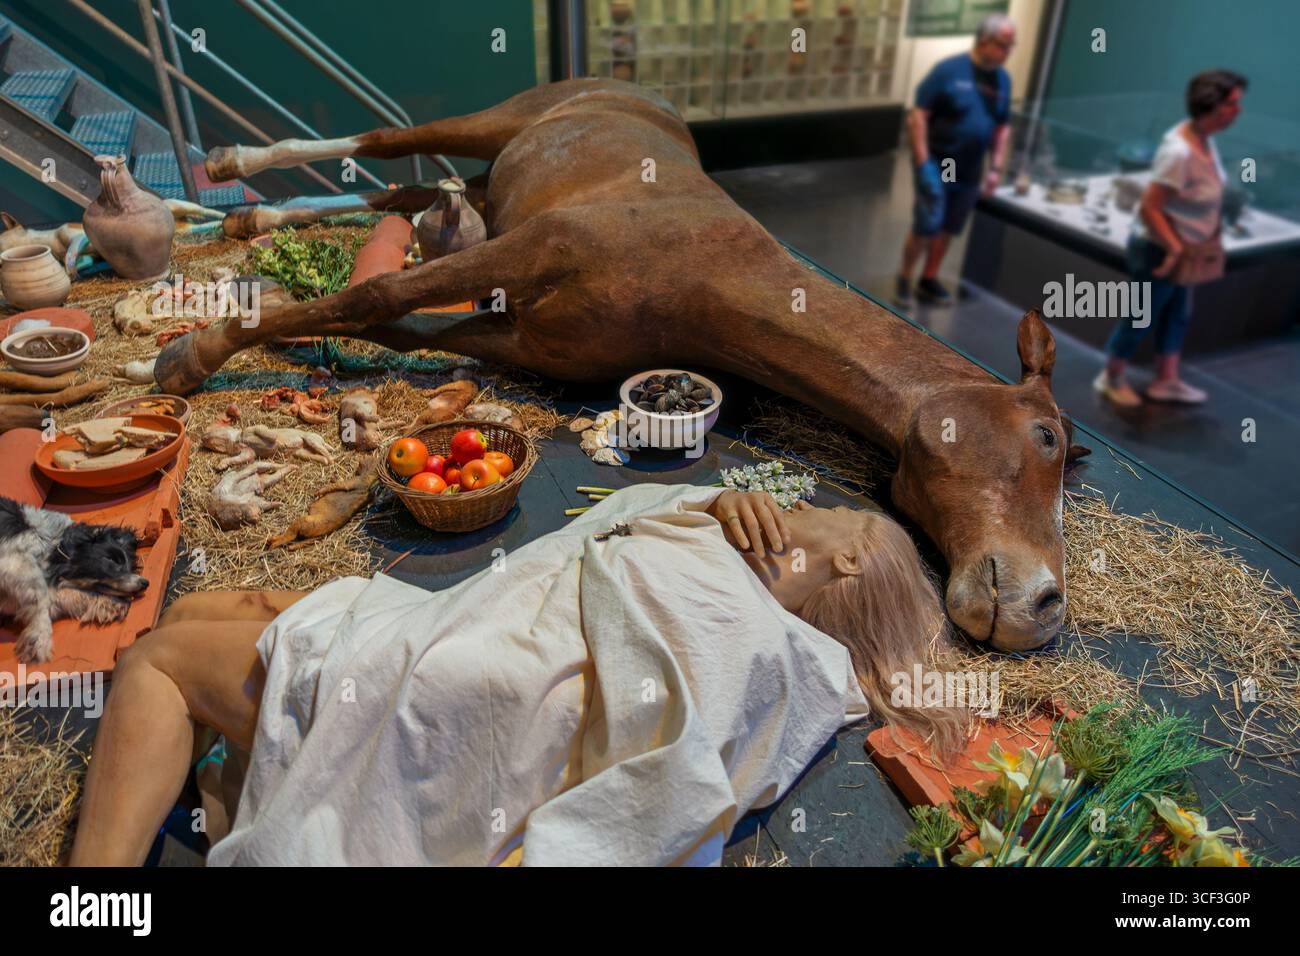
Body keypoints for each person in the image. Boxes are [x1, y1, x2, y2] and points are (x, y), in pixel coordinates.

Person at [70, 483, 969, 866]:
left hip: (466, 684)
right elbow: (607, 528)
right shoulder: (730, 554)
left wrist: (692, 529)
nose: (796, 505)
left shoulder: (767, 643)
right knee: (207, 613)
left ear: (851, 562)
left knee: (156, 658)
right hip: (471, 625)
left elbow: (672, 772)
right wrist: (698, 505)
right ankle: (235, 776)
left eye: (825, 511)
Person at [1094, 69, 1247, 407]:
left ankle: (1167, 379)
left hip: (1186, 250)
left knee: (1177, 314)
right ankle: (1112, 376)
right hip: (1159, 251)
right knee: (1142, 316)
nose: (1238, 110)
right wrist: (1175, 248)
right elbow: (1151, 207)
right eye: (1233, 103)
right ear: (1213, 104)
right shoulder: (1179, 151)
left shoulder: (1205, 141)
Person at [896, 14, 1014, 308]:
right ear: (984, 41)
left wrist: (996, 167)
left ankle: (929, 277)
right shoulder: (949, 71)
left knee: (950, 225)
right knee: (930, 220)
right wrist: (922, 161)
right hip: (940, 163)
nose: (1007, 52)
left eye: (1011, 46)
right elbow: (918, 116)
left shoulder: (1003, 80)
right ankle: (905, 275)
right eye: (1003, 45)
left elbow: (1002, 126)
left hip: (970, 168)